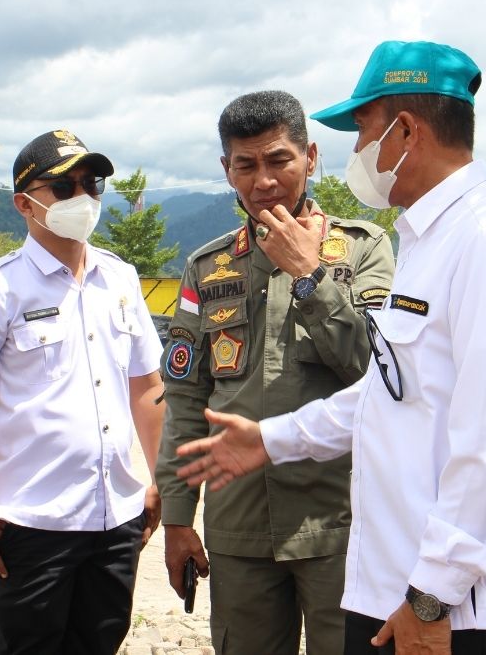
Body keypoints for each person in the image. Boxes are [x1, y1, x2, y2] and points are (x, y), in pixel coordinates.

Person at [173, 40, 486, 655]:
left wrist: (432, 596)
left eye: (363, 130)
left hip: (451, 604)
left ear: (404, 130)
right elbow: (389, 389)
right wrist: (270, 439)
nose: (358, 150)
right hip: (394, 580)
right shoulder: (429, 241)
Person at [155, 90, 394, 655]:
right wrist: (178, 516)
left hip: (341, 521)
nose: (263, 180)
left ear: (310, 157)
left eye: (279, 160)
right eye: (246, 165)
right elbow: (186, 398)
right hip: (240, 523)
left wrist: (310, 275)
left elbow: (378, 369)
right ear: (227, 170)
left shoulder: (363, 249)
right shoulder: (206, 267)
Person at [0, 129, 164, 655]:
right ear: (24, 203)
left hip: (116, 515)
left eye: (92, 184)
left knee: (101, 641)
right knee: (30, 645)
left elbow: (147, 387)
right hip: (31, 520)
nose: (82, 197)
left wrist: (163, 482)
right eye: (64, 187)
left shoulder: (120, 279)